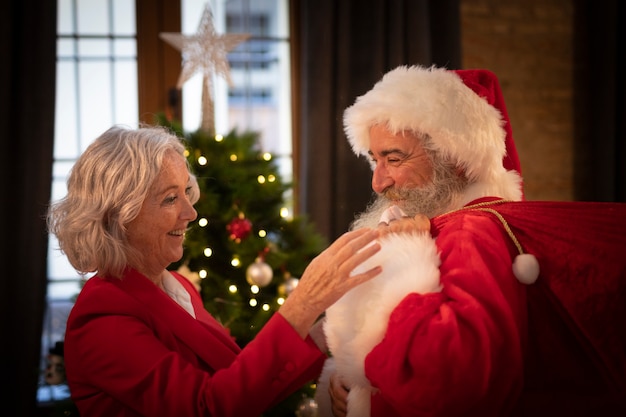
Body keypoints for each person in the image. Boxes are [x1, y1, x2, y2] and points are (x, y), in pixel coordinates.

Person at [315, 65, 626, 416]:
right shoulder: (436, 226)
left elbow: (452, 385)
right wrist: (348, 384)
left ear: (456, 160)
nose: (378, 183)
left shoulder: (469, 233)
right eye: (375, 160)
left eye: (394, 158)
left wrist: (406, 264)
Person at [46, 124, 385, 417]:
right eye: (169, 199)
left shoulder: (175, 285)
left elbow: (245, 383)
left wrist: (340, 321)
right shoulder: (102, 317)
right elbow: (209, 407)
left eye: (186, 193)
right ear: (121, 215)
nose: (190, 213)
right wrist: (303, 303)